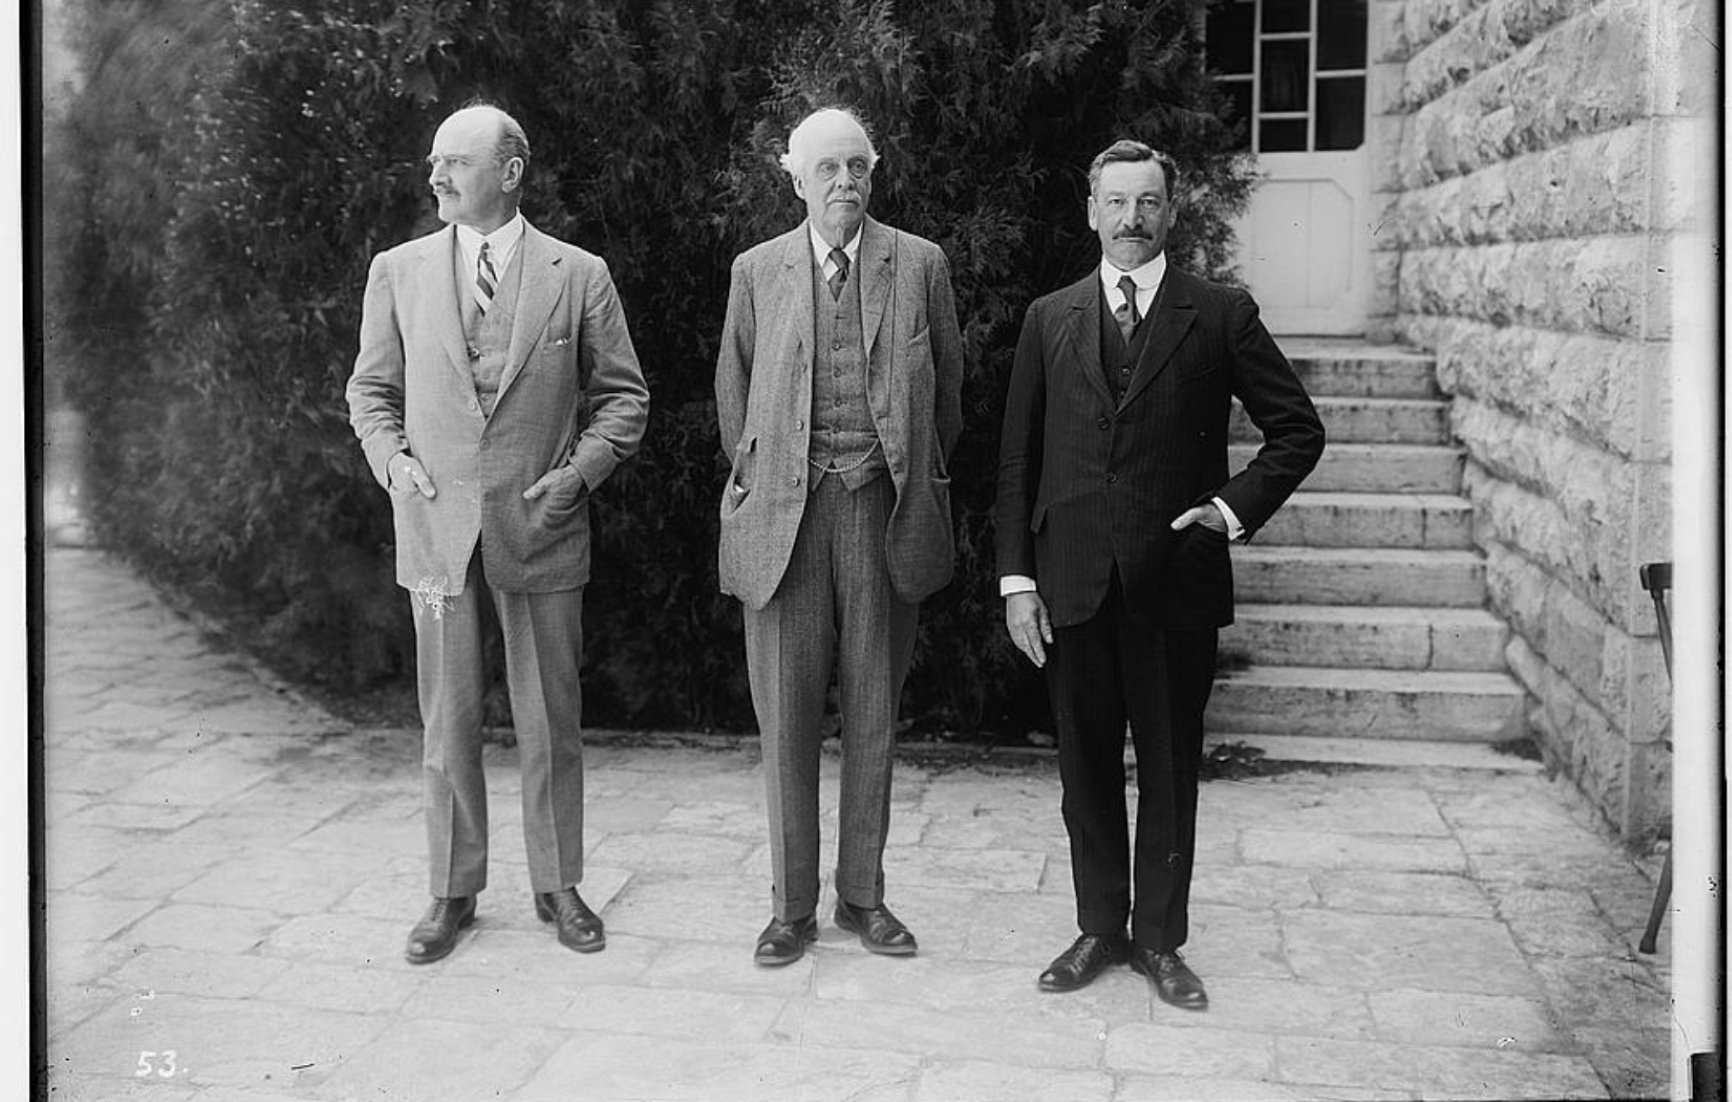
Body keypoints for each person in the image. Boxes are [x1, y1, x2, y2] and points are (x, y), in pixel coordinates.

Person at [994, 139, 1323, 1009]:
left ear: (1170, 213)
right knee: (1085, 770)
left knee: (1171, 772)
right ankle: (1099, 928)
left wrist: (1227, 510)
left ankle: (1160, 942)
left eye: (1148, 203)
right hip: (1072, 585)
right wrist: (1015, 582)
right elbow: (1016, 463)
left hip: (1175, 585)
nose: (1131, 219)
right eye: (1116, 203)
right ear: (1091, 212)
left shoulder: (1218, 314)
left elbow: (1298, 431)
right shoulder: (1049, 317)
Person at [347, 103, 650, 965]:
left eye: (455, 162)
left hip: (543, 524)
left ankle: (560, 886)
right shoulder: (397, 271)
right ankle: (452, 890)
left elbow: (625, 398)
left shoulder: (577, 273)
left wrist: (577, 476)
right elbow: (370, 392)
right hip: (436, 529)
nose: (436, 176)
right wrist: (392, 460)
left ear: (510, 172)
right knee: (446, 717)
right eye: (434, 162)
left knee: (551, 716)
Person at [715, 107, 964, 967]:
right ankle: (790, 909)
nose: (845, 182)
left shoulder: (921, 265)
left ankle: (863, 897)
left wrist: (892, 472)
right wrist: (779, 476)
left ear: (876, 170)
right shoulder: (757, 272)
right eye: (826, 168)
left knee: (874, 716)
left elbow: (950, 403)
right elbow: (734, 401)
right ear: (795, 179)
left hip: (882, 514)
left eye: (857, 165)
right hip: (784, 519)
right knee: (784, 718)